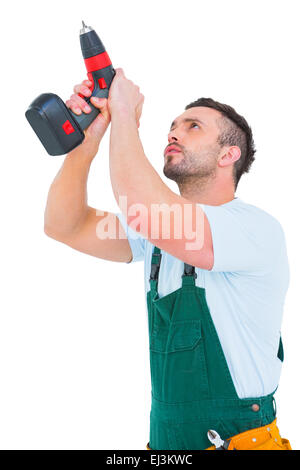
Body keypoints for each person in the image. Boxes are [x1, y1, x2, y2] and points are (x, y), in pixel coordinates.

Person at [44, 68, 292, 450]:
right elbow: (66, 224)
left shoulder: (253, 229)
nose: (173, 132)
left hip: (239, 439)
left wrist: (124, 114)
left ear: (230, 154)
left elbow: (147, 210)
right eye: (173, 125)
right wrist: (88, 141)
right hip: (164, 443)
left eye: (193, 126)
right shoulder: (156, 237)